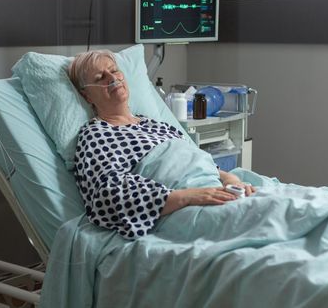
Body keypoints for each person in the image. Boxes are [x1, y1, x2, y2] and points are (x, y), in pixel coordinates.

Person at [68, 49, 255, 240]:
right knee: (256, 220)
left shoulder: (156, 124)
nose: (112, 78)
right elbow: (108, 196)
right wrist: (188, 196)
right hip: (179, 209)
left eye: (114, 70)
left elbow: (195, 161)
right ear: (87, 96)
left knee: (278, 205)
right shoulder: (96, 135)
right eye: (100, 77)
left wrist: (230, 179)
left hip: (213, 188)